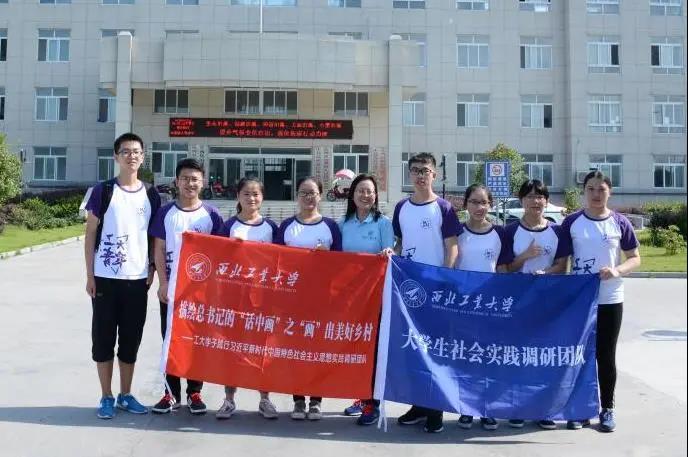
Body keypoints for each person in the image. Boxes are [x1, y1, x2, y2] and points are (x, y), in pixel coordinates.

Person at [84, 132, 161, 419]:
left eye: (136, 151)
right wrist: (90, 275)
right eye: (126, 151)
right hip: (105, 278)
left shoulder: (151, 194)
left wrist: (152, 268)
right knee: (103, 339)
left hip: (137, 280)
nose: (131, 156)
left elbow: (155, 237)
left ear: (143, 157)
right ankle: (106, 396)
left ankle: (125, 395)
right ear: (116, 156)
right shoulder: (103, 191)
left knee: (130, 341)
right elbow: (90, 234)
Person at [560, 170, 641, 433]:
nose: (596, 194)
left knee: (605, 355)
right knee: (580, 356)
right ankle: (581, 410)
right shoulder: (572, 222)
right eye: (591, 189)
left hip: (610, 298)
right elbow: (562, 262)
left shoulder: (619, 222)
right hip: (580, 300)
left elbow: (635, 258)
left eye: (601, 189)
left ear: (610, 192)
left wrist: (617, 271)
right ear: (584, 192)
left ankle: (607, 408)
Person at [148, 158, 223, 416]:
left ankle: (194, 392)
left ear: (203, 183)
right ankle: (170, 393)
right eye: (185, 179)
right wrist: (163, 283)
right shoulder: (165, 213)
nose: (190, 183)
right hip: (172, 290)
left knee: (196, 341)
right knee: (170, 340)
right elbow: (158, 248)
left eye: (195, 179)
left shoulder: (211, 215)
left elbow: (222, 252)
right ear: (177, 182)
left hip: (201, 292)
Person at [393, 152, 460, 434]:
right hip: (409, 290)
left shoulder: (443, 208)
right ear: (409, 174)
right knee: (412, 348)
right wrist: (392, 255)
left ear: (435, 175)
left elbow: (452, 246)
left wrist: (444, 277)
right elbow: (400, 243)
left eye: (426, 170)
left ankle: (435, 410)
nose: (421, 175)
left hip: (436, 289)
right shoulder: (401, 207)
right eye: (416, 170)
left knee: (435, 350)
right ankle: (419, 405)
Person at [276, 176, 342, 421]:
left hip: (321, 300)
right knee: (295, 351)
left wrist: (327, 256)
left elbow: (341, 263)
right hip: (292, 300)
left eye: (312, 192)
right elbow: (274, 260)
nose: (308, 197)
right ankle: (298, 400)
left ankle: (316, 400)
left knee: (317, 351)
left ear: (320, 196)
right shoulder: (286, 226)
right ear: (297, 196)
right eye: (303, 192)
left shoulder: (330, 227)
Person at [503, 179, 568, 430]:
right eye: (530, 196)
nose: (535, 201)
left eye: (540, 196)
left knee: (544, 355)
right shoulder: (510, 231)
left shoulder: (557, 231)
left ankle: (545, 409)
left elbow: (562, 265)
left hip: (548, 302)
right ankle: (518, 408)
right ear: (522, 201)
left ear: (546, 201)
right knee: (519, 355)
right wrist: (525, 256)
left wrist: (546, 273)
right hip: (519, 303)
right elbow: (506, 269)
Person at [215, 177, 280, 420]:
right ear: (238, 197)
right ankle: (229, 399)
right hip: (234, 299)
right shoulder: (229, 226)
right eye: (246, 194)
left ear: (262, 197)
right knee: (232, 349)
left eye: (256, 194)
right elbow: (217, 257)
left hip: (264, 299)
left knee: (262, 350)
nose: (251, 198)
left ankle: (265, 399)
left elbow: (282, 260)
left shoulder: (271, 228)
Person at [455, 183, 514, 431]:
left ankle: (487, 409)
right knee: (466, 357)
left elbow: (503, 269)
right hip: (463, 306)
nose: (479, 207)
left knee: (489, 358)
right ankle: (466, 410)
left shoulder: (500, 233)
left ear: (490, 205)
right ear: (465, 204)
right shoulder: (456, 233)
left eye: (484, 202)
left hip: (490, 306)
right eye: (474, 202)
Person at [338, 174, 395, 426]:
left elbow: (390, 255)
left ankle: (373, 403)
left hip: (375, 298)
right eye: (360, 190)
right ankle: (361, 397)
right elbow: (334, 258)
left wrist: (388, 253)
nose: (365, 195)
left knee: (373, 351)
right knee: (356, 348)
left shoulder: (383, 223)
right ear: (352, 194)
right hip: (350, 298)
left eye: (370, 191)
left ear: (376, 196)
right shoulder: (343, 224)